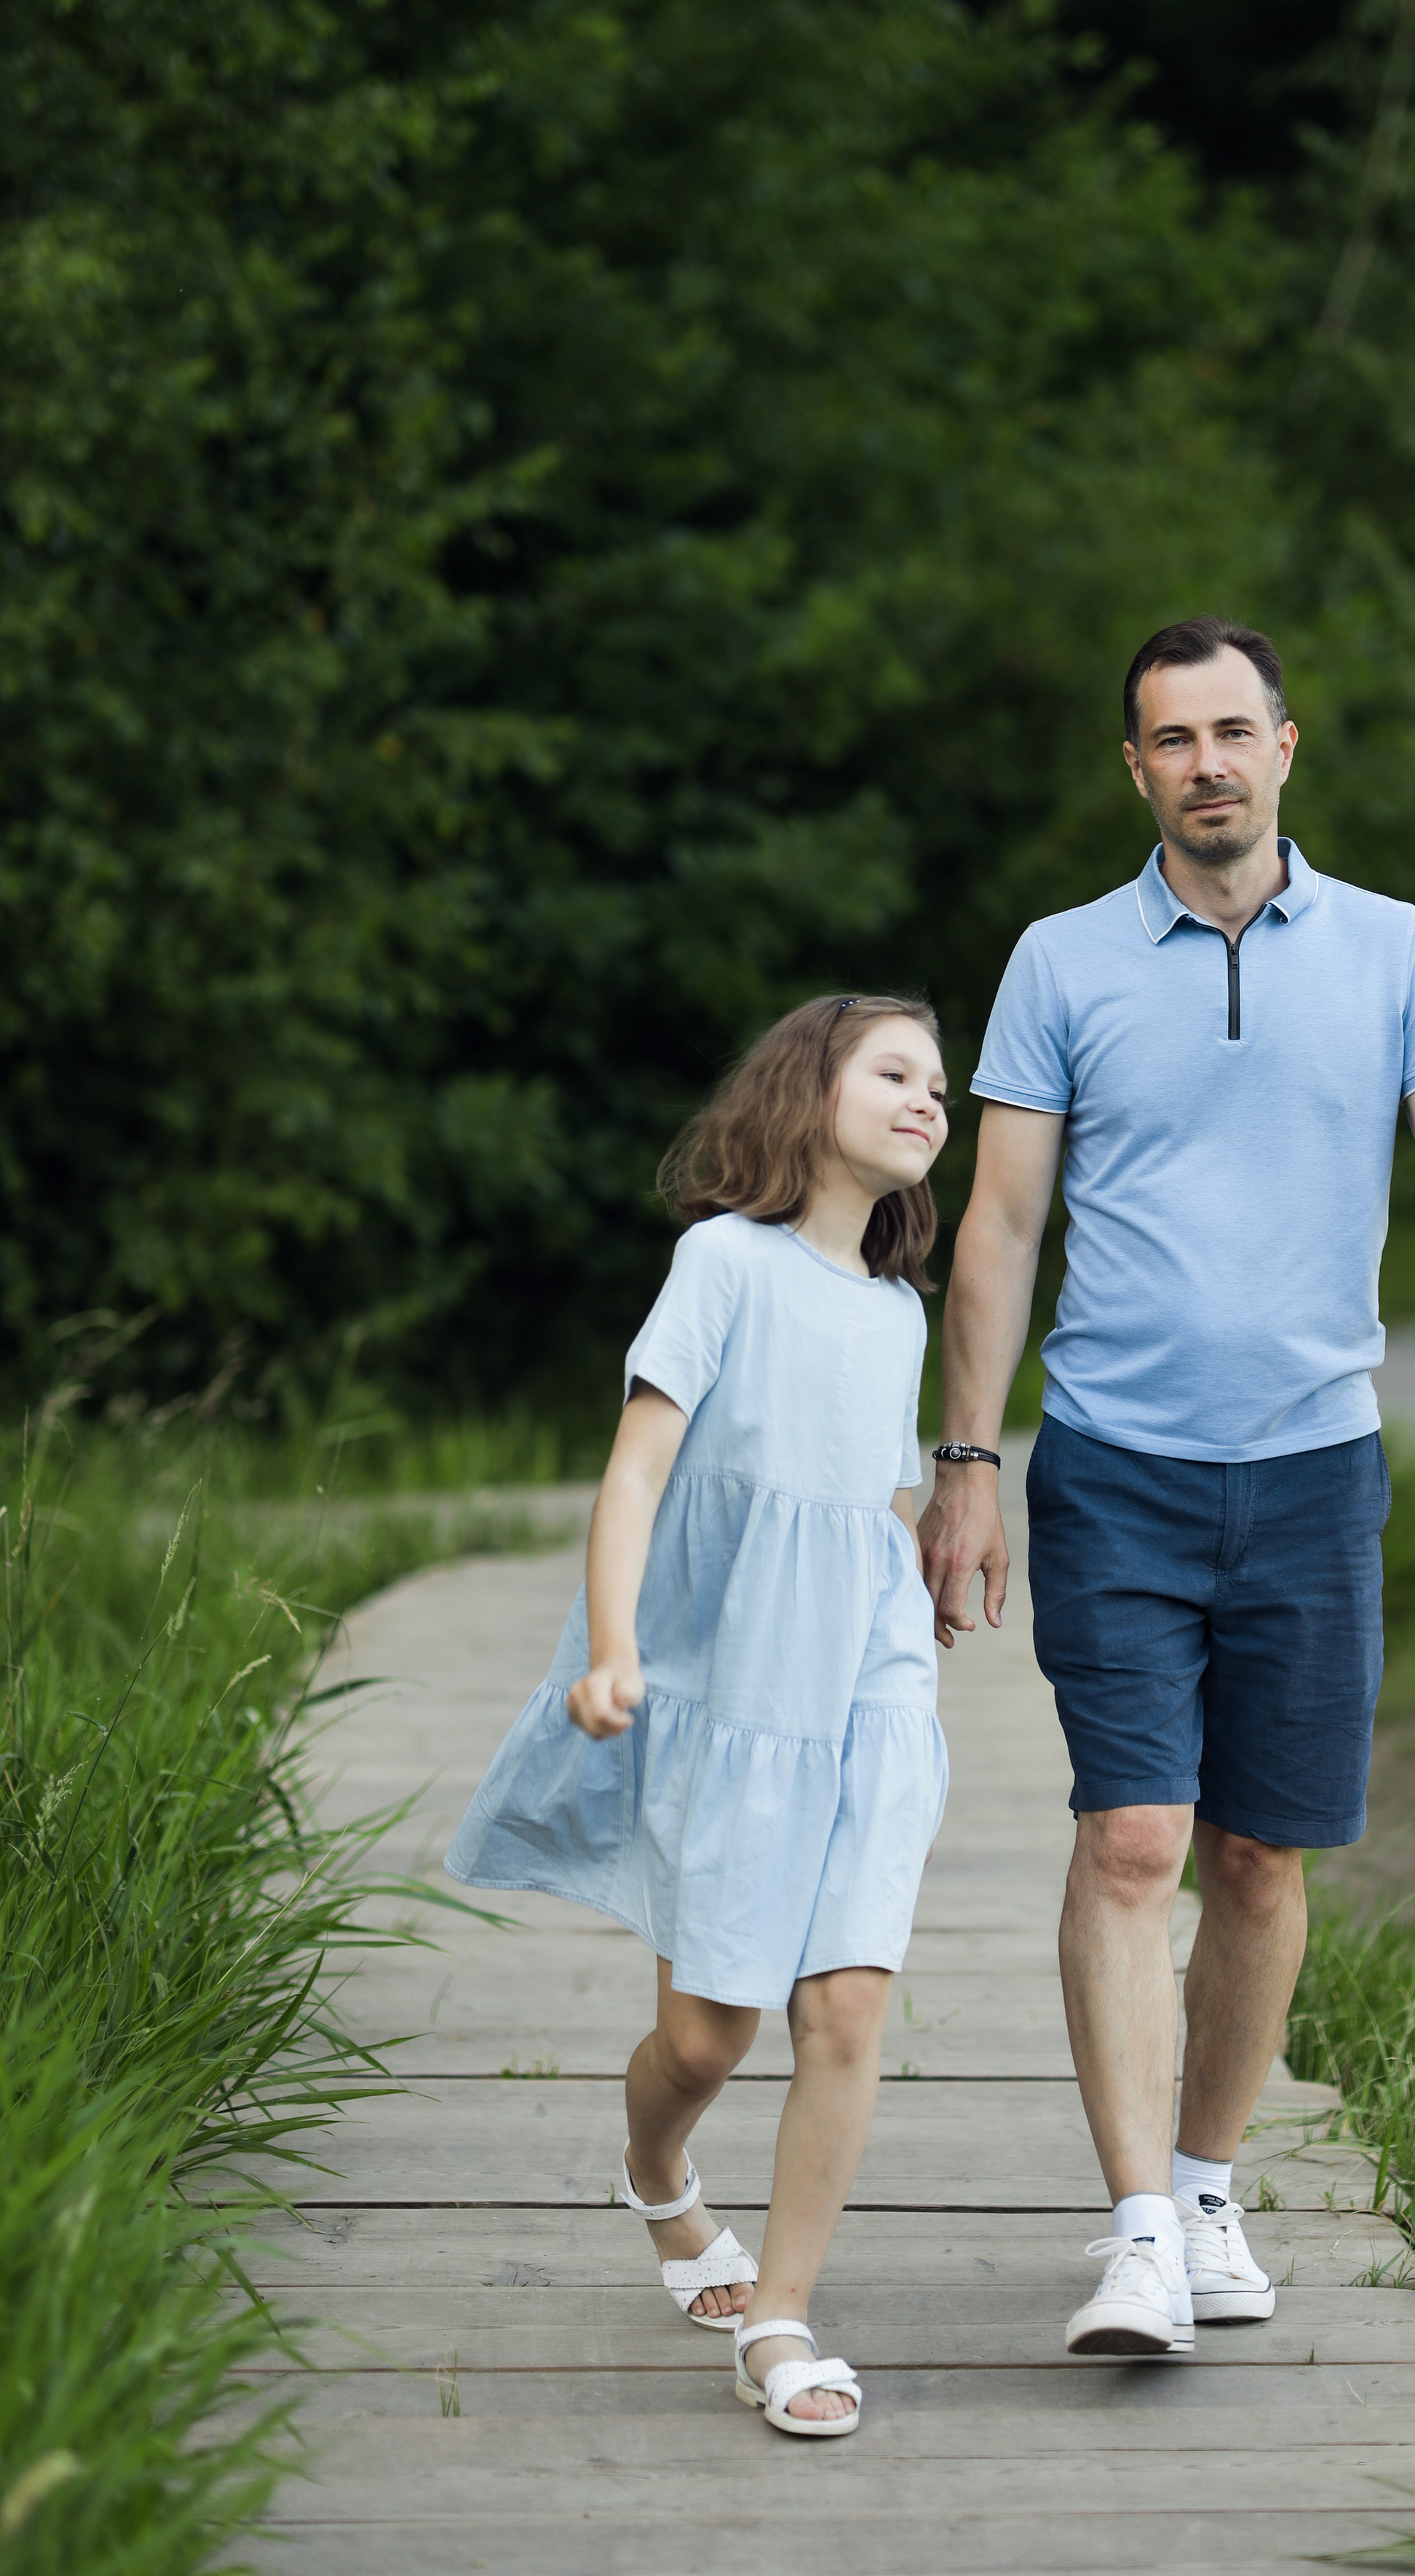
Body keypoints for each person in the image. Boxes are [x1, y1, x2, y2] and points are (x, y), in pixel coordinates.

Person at [919, 616, 1415, 2360]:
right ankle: (1133, 2228)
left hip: (1309, 1472)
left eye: (1230, 730)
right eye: (1168, 738)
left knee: (1259, 1855)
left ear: (1286, 746)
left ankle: (1205, 2184)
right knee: (1130, 1838)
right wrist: (964, 1462)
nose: (1203, 761)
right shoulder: (1057, 961)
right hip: (1113, 1466)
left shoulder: (1394, 951)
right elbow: (997, 1226)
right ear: (1133, 770)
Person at [445, 995, 952, 2438]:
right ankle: (656, 2172)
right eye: (897, 1073)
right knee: (708, 2041)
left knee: (846, 2000)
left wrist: (922, 1588)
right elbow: (633, 1478)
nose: (929, 1101)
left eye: (940, 1087)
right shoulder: (722, 1263)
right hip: (730, 1684)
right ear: (810, 1090)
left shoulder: (892, 1307)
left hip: (864, 1681)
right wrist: (612, 1648)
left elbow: (882, 1496)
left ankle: (781, 2318)